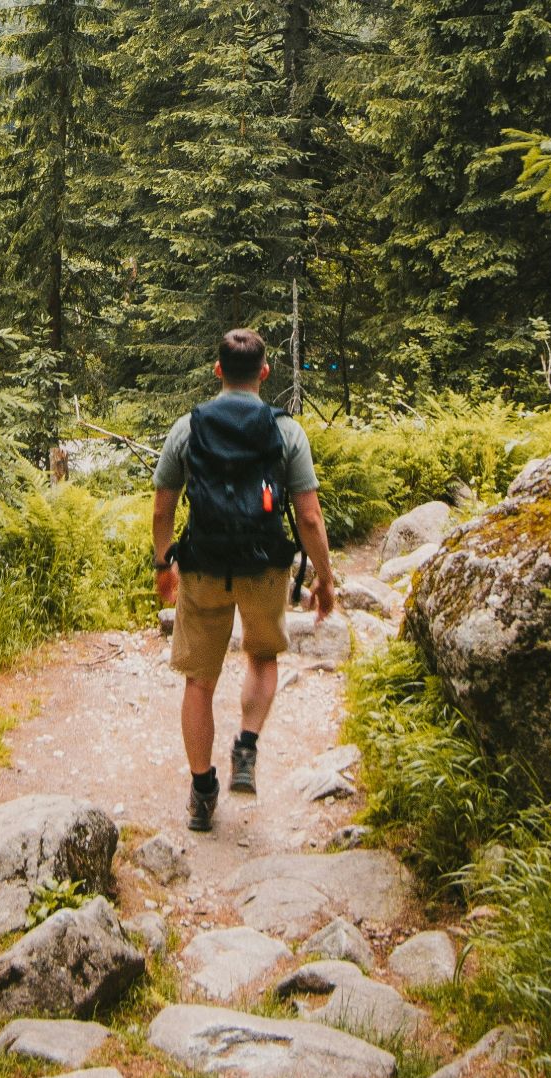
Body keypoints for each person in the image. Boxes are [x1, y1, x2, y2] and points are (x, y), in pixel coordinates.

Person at [152, 328, 335, 832]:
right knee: (262, 656)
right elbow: (310, 517)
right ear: (264, 372)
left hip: (204, 566)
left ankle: (202, 792)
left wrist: (164, 565)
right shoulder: (286, 432)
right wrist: (325, 579)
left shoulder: (187, 428)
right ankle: (246, 748)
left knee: (199, 681)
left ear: (217, 371)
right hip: (263, 568)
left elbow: (163, 507)